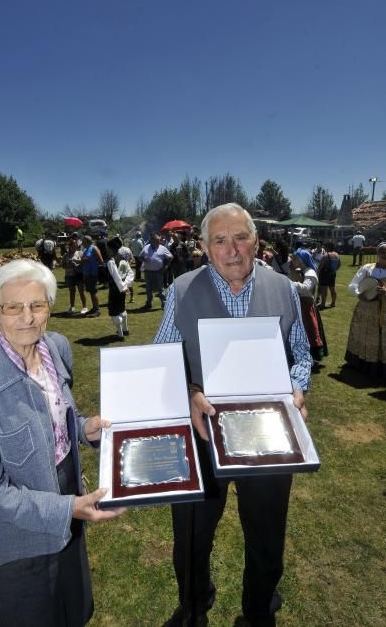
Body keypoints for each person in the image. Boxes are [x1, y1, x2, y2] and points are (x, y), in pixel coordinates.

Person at [154, 203, 311, 627]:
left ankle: (259, 609)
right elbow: (161, 357)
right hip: (201, 431)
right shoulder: (181, 290)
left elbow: (300, 355)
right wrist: (188, 391)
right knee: (191, 534)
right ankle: (194, 604)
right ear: (204, 247)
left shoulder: (285, 288)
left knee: (266, 533)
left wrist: (298, 386)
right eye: (220, 241)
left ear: (256, 242)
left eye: (241, 238)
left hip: (267, 430)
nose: (232, 250)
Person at [0, 259, 125, 627]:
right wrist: (66, 510)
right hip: (14, 542)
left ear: (49, 307)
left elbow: (58, 416)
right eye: (13, 307)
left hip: (67, 512)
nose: (27, 318)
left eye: (37, 305)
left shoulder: (56, 347)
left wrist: (83, 428)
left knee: (71, 613)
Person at [344, 241, 386, 377]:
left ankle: (378, 365)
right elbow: (353, 284)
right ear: (377, 253)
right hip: (365, 307)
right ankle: (359, 362)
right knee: (362, 333)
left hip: (383, 310)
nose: (384, 254)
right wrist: (359, 294)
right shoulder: (367, 268)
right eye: (382, 251)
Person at [290, 248, 328, 362]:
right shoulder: (297, 270)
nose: (292, 260)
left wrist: (288, 283)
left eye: (295, 258)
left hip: (306, 305)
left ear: (301, 259)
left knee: (309, 329)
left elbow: (306, 289)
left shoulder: (310, 272)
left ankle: (310, 354)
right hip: (297, 304)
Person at [106, 237, 134, 340]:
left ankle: (120, 334)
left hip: (115, 290)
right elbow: (130, 273)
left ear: (112, 249)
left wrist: (123, 287)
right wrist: (126, 285)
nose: (107, 250)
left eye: (108, 248)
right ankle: (125, 330)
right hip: (122, 289)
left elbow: (116, 277)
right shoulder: (123, 259)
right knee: (121, 308)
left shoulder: (111, 261)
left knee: (114, 311)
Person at [139, 232, 172, 310]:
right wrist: (144, 259)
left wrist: (166, 267)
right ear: (152, 240)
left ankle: (164, 304)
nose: (158, 241)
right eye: (156, 240)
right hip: (148, 272)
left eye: (159, 240)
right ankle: (149, 304)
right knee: (148, 289)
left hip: (158, 271)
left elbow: (171, 257)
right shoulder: (146, 247)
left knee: (160, 289)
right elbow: (140, 257)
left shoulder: (162, 248)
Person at [62, 235, 88, 315]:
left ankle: (84, 307)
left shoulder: (80, 253)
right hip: (69, 275)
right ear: (69, 246)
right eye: (72, 246)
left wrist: (76, 264)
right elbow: (63, 266)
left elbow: (84, 264)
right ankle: (72, 307)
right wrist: (68, 264)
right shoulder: (66, 255)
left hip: (79, 275)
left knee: (81, 291)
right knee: (72, 291)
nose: (74, 247)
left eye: (75, 245)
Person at [81, 235, 103, 317]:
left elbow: (101, 261)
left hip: (93, 273)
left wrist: (84, 260)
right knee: (91, 292)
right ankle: (94, 308)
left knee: (93, 292)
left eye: (83, 241)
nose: (82, 243)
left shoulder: (93, 248)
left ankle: (97, 310)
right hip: (87, 273)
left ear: (87, 241)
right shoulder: (86, 249)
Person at [317, 241, 340, 308]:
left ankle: (323, 304)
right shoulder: (337, 255)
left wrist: (318, 273)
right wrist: (334, 270)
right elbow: (339, 265)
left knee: (324, 289)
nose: (325, 248)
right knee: (332, 288)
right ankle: (333, 303)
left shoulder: (325, 256)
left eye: (325, 247)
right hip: (333, 273)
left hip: (324, 274)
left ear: (328, 247)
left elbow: (320, 266)